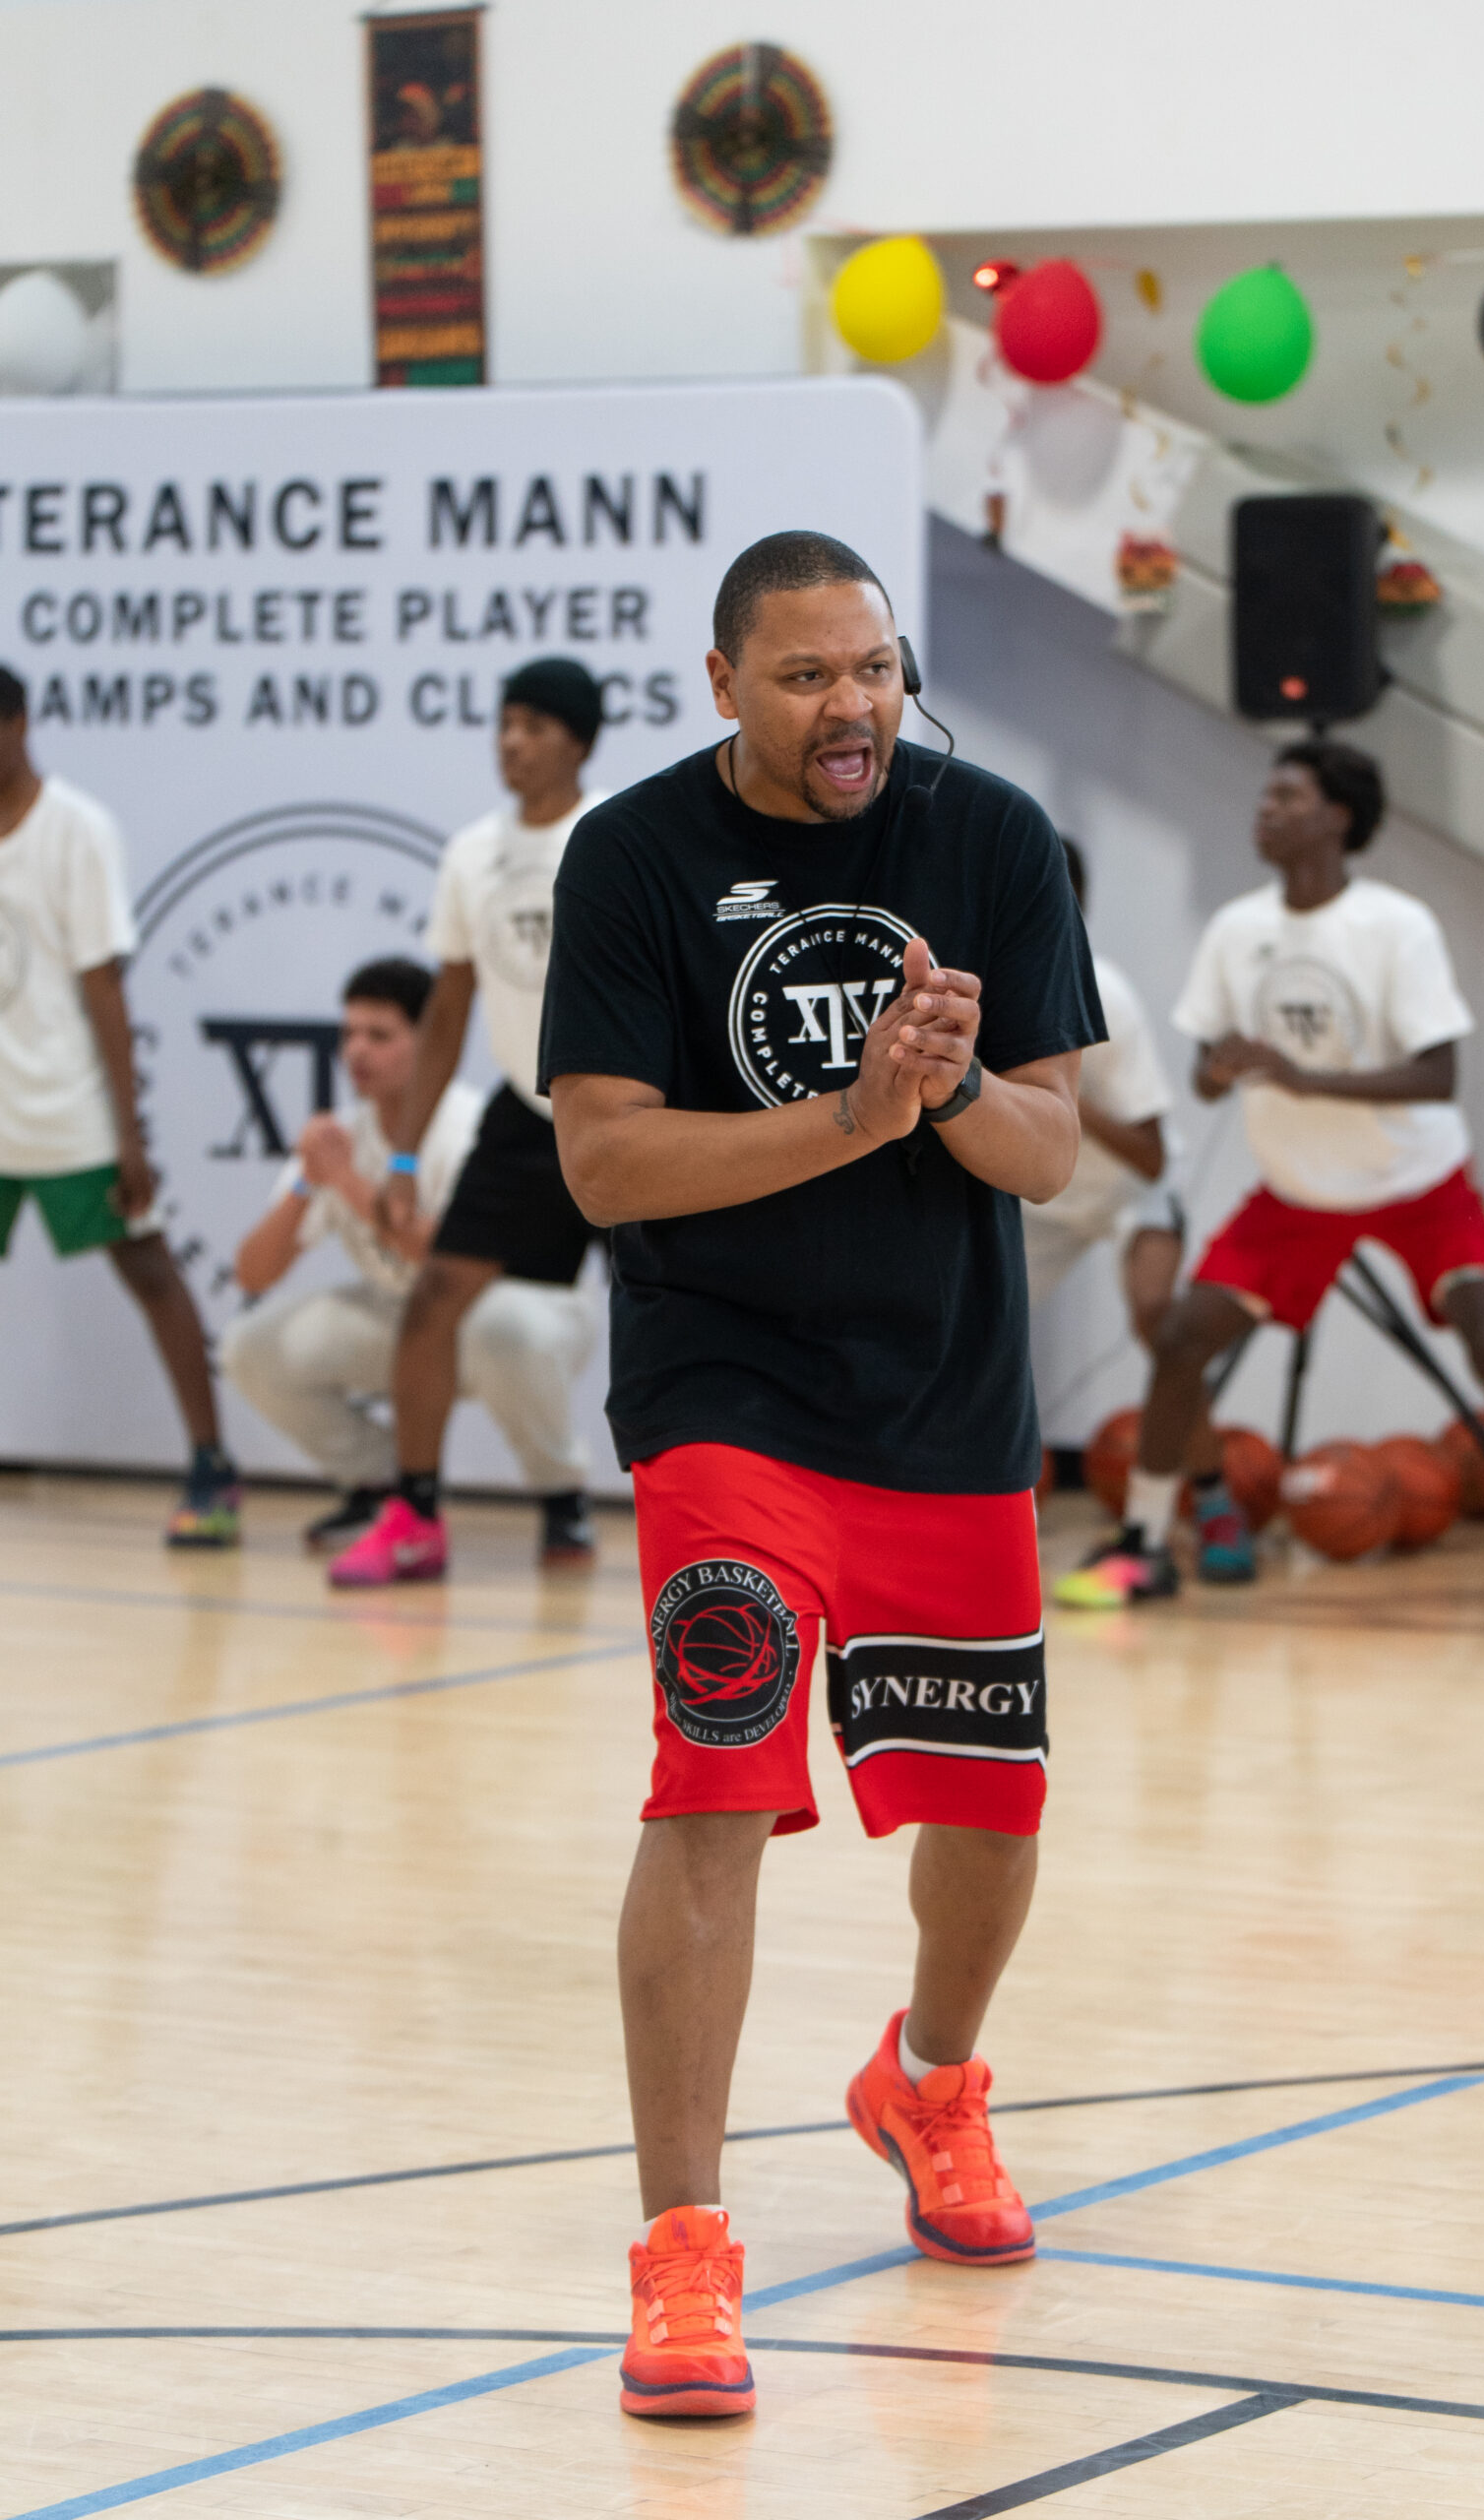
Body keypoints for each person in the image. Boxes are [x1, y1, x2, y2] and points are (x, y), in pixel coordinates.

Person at [541, 531, 1102, 2423]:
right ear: (724, 685)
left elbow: (1052, 1154)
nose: (850, 707)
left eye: (872, 668)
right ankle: (683, 2250)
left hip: (944, 1395)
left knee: (992, 1807)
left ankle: (927, 2084)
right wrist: (847, 1118)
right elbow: (607, 1164)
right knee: (713, 1779)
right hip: (726, 1397)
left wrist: (950, 1095)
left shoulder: (992, 836)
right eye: (804, 677)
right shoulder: (632, 856)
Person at [1066, 738, 1484, 1635]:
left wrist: (1302, 1077)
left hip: (1417, 1181)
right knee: (1182, 1337)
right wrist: (1224, 1069)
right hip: (1298, 1192)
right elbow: (1205, 1077)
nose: (1265, 809)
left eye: (1287, 796)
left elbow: (1438, 1076)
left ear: (1337, 818)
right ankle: (1142, 1547)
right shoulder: (1237, 930)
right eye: (1266, 795)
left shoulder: (1397, 925)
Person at [328, 659, 606, 1586]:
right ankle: (414, 1514)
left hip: (634, 1110)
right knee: (435, 1297)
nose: (511, 742)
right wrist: (403, 1158)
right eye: (505, 723)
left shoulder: (615, 835)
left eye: (534, 726)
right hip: (529, 1114)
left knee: (681, 1313)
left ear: (578, 741)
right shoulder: (471, 855)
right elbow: (448, 1010)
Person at [221, 958, 595, 1555]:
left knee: (504, 1330)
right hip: (402, 1314)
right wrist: (305, 1183)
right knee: (251, 1347)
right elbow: (252, 1273)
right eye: (349, 1034)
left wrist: (345, 1181)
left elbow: (446, 1259)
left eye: (379, 1035)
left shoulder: (471, 1124)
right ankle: (382, 1485)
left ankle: (561, 1494)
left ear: (428, 1042)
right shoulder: (340, 1135)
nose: (356, 1051)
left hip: (510, 1306)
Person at [0, 664, 239, 1545]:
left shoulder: (76, 829)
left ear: (18, 724)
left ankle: (211, 1465)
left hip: (68, 1108)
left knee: (149, 1272)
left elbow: (105, 986)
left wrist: (129, 1134)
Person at [1021, 841, 1183, 1549]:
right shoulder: (971, 986)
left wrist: (1062, 1096)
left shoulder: (1104, 993)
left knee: (1162, 1322)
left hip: (1125, 1189)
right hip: (1039, 1196)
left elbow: (1151, 1155)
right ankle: (974, 1501)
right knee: (961, 1331)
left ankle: (1210, 1499)